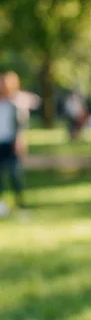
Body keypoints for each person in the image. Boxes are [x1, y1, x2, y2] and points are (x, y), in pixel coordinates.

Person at [0, 72, 27, 215]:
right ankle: (1, 203)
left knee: (14, 173)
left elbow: (21, 124)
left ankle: (20, 203)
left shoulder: (14, 103)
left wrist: (19, 140)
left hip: (10, 142)